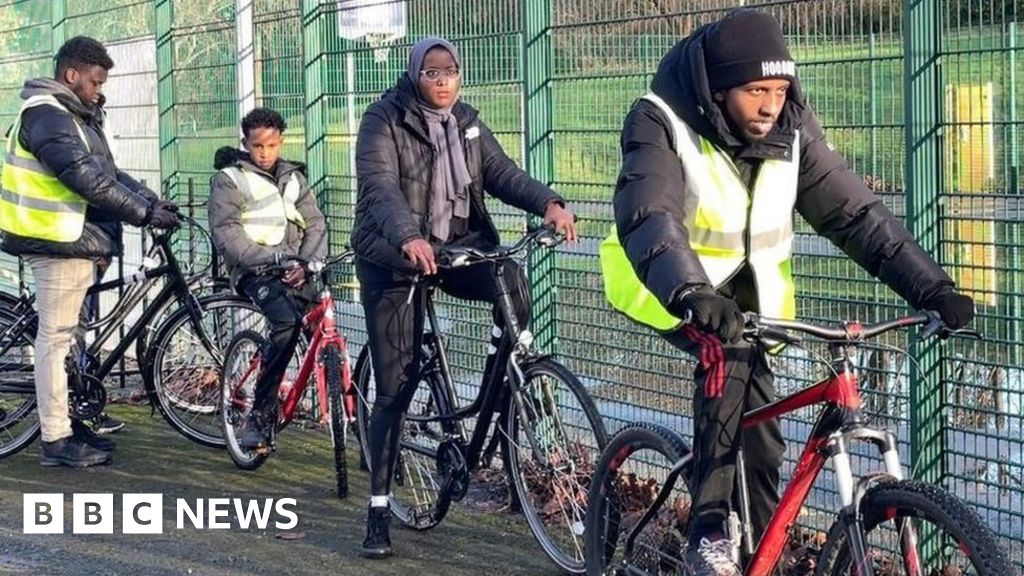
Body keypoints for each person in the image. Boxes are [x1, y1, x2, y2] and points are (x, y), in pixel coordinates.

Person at [599, 9, 975, 576]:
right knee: (726, 358)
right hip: (667, 283)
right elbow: (649, 215)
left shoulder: (792, 129)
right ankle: (707, 532)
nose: (771, 104)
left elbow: (857, 216)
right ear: (719, 89)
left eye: (780, 89)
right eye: (756, 91)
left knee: (766, 440)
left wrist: (933, 288)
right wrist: (691, 291)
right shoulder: (660, 120)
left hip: (756, 304)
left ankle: (759, 552)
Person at [352, 36, 577, 559]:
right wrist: (408, 236)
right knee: (395, 388)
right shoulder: (382, 120)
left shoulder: (468, 121)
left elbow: (501, 174)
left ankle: (514, 380)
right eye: (432, 72)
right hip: (394, 255)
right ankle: (380, 510)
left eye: (451, 70)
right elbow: (380, 188)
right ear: (415, 74)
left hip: (456, 248)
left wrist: (549, 203)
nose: (443, 81)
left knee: (511, 278)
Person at [0, 36, 180, 468]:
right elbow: (83, 178)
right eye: (97, 81)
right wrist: (143, 214)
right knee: (56, 339)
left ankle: (69, 420)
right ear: (72, 75)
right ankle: (55, 439)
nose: (101, 90)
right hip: (56, 242)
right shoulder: (46, 115)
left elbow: (109, 173)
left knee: (71, 338)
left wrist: (152, 201)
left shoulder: (78, 115)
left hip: (74, 240)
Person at [208, 107, 327, 452]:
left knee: (324, 327)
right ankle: (259, 415)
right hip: (255, 273)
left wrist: (306, 262)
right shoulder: (230, 180)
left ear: (281, 142)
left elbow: (316, 223)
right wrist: (274, 259)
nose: (264, 153)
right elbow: (228, 236)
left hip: (296, 267)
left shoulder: (294, 178)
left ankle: (360, 425)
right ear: (245, 143)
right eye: (257, 146)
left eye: (271, 145)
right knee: (287, 324)